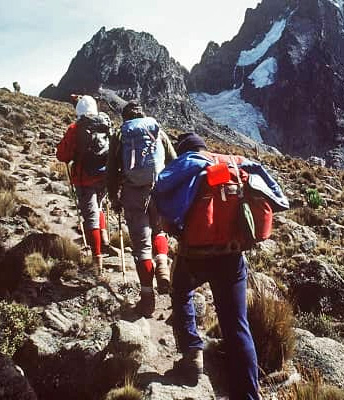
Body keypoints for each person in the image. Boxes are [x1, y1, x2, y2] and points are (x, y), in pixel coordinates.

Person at [153, 133, 288, 399]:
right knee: (237, 324)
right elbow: (276, 195)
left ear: (184, 150)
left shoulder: (188, 161)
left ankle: (192, 354)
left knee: (181, 292)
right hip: (232, 255)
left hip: (196, 255)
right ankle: (248, 394)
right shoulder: (235, 163)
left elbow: (161, 186)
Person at [107, 100, 176, 317]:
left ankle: (147, 300)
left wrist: (114, 198)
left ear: (126, 117)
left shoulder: (121, 135)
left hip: (133, 194)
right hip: (158, 190)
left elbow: (111, 170)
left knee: (141, 247)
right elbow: (174, 161)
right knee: (159, 231)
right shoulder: (157, 131)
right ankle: (163, 267)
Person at [56, 95, 111, 273]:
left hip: (84, 178)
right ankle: (104, 241)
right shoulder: (105, 123)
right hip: (103, 176)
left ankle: (97, 261)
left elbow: (63, 155)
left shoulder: (75, 128)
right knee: (99, 207)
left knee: (91, 217)